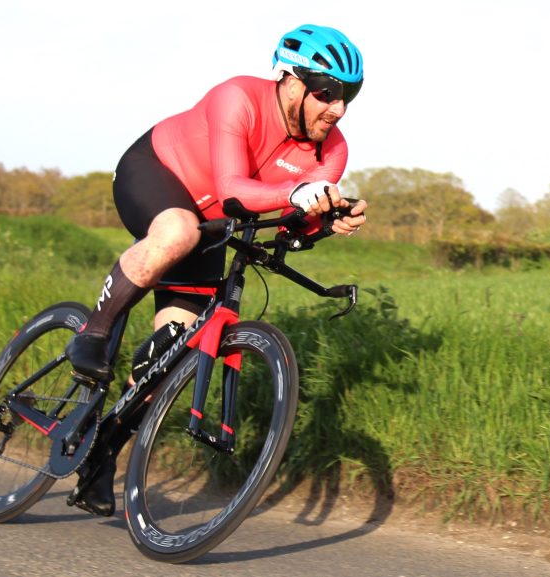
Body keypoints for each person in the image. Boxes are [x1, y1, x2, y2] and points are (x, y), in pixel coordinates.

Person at [66, 23, 368, 516]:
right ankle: (92, 333)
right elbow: (232, 187)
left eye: (348, 96)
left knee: (175, 351)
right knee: (177, 230)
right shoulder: (238, 98)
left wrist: (324, 222)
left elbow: (289, 227)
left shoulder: (333, 150)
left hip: (213, 226)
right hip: (157, 174)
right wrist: (297, 194)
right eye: (327, 93)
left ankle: (99, 455)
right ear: (291, 81)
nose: (338, 108)